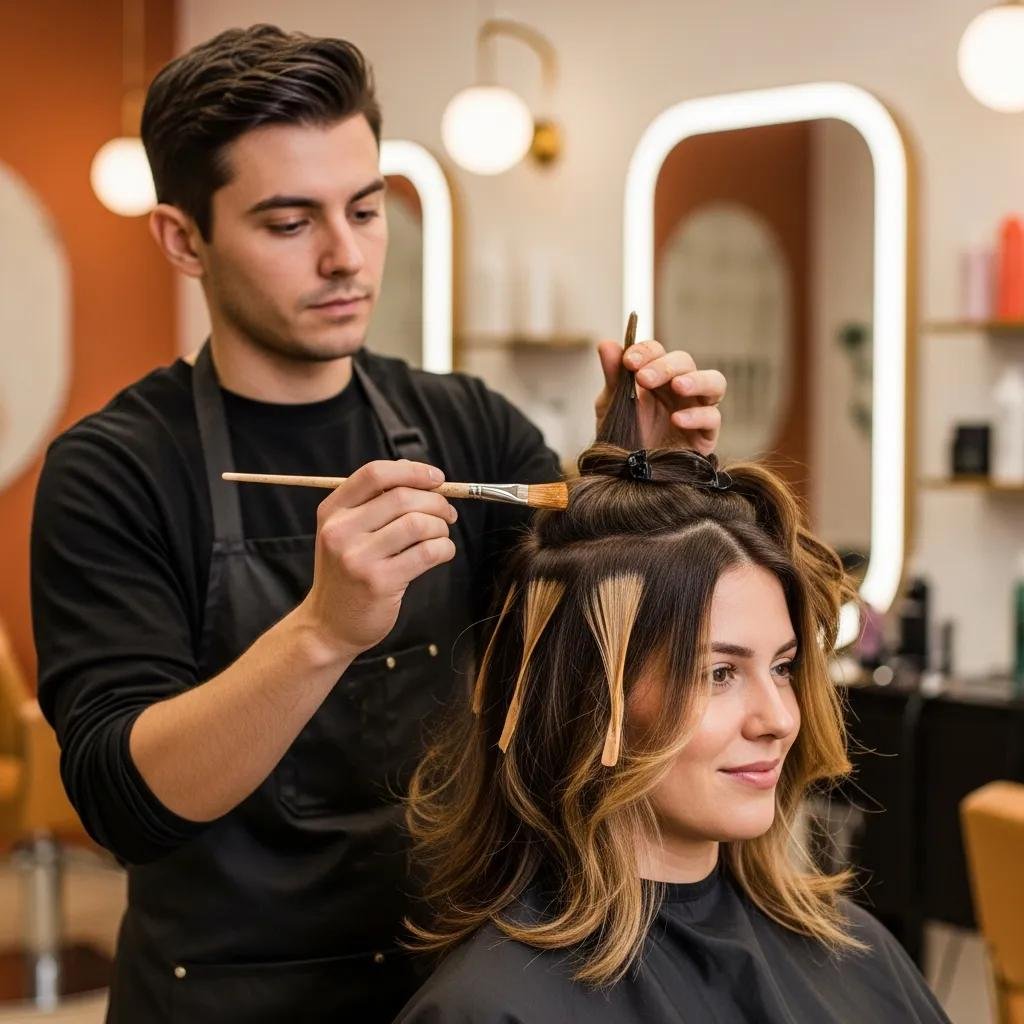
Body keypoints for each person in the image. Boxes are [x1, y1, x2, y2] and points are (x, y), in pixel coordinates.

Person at [29, 24, 726, 1024]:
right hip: (226, 1000)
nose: (346, 255)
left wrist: (651, 474)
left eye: (365, 208)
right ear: (184, 239)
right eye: (288, 222)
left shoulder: (466, 422)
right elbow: (125, 805)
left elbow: (598, 651)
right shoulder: (116, 470)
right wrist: (323, 630)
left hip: (450, 982)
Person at [395, 364, 950, 1023]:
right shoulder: (496, 1007)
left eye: (782, 667)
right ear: (590, 697)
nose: (778, 719)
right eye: (718, 674)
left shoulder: (856, 951)